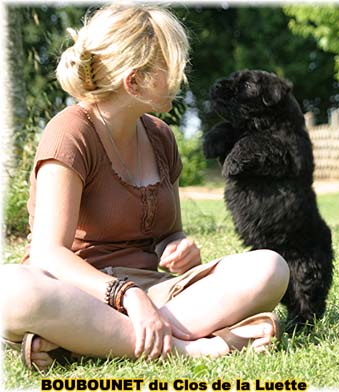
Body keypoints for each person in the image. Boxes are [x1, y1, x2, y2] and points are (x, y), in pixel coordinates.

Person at [1, 4, 289, 372]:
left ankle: (77, 344)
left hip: (155, 294)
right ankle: (194, 349)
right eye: (170, 66)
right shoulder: (70, 131)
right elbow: (47, 254)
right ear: (133, 82)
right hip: (75, 293)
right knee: (10, 290)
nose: (181, 77)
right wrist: (125, 295)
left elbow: (170, 234)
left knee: (270, 267)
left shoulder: (160, 136)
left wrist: (178, 247)